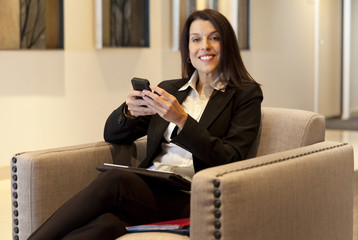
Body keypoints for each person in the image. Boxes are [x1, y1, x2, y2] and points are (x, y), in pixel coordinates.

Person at [28, 9, 263, 240]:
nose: (205, 46)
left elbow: (231, 158)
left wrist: (181, 119)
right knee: (106, 225)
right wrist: (128, 112)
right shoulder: (170, 90)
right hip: (153, 186)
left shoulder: (245, 95)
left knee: (114, 179)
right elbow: (113, 135)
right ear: (188, 49)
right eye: (196, 39)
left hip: (192, 195)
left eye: (214, 38)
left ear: (228, 44)